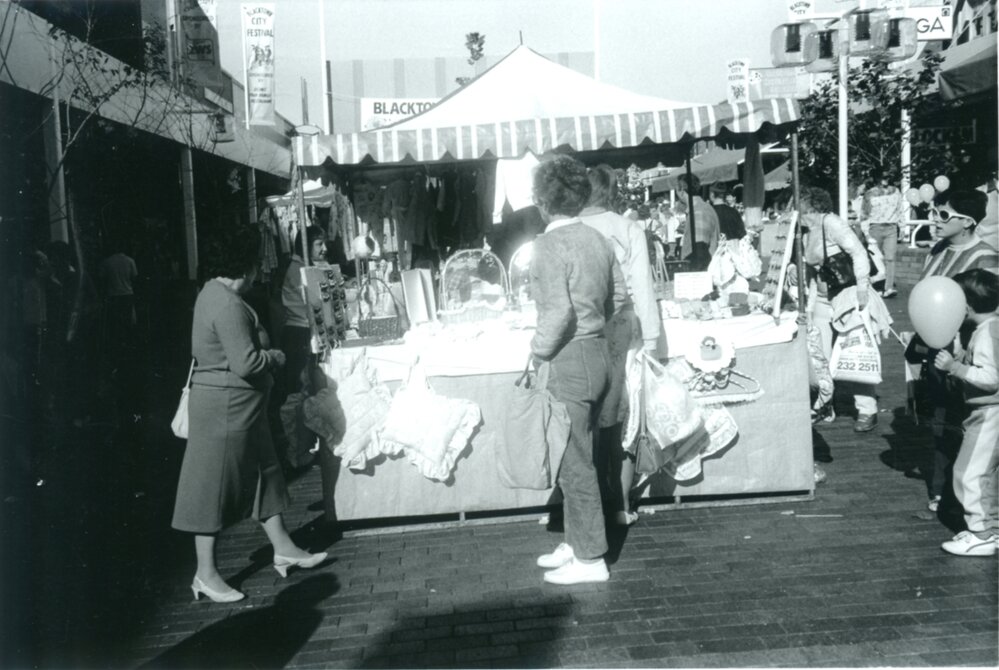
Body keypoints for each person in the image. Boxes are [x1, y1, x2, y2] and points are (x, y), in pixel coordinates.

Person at [172, 229, 326, 603]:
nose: (260, 272)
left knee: (266, 474)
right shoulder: (225, 303)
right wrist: (275, 357)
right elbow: (246, 363)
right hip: (226, 409)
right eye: (257, 264)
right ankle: (205, 574)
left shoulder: (214, 293)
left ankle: (283, 548)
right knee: (212, 487)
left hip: (240, 408)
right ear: (245, 266)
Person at [530, 155, 628, 585]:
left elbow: (557, 314)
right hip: (599, 353)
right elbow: (619, 297)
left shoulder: (547, 245)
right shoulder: (598, 239)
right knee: (583, 453)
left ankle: (590, 560)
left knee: (575, 462)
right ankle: (577, 541)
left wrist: (536, 352)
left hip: (569, 358)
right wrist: (594, 319)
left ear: (541, 202)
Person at [579, 164, 661, 527]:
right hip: (622, 329)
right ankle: (620, 504)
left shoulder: (570, 229)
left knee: (587, 415)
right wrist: (652, 338)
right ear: (612, 192)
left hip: (583, 330)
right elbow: (642, 286)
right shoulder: (628, 229)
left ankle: (585, 502)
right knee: (624, 419)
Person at [912, 190, 999, 513]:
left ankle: (970, 503)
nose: (934, 220)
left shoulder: (986, 258)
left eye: (943, 215)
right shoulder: (937, 250)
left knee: (967, 426)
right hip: (936, 351)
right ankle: (942, 491)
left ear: (967, 221)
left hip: (968, 356)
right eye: (934, 212)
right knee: (940, 421)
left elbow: (990, 311)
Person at [799, 185, 891, 433]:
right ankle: (825, 404)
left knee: (855, 351)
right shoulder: (806, 233)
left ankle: (867, 408)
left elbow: (858, 253)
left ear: (812, 208)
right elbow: (812, 272)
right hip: (822, 298)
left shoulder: (832, 223)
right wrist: (809, 305)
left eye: (801, 208)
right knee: (820, 355)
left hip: (847, 295)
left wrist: (862, 287)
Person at [932, 269, 998, 556]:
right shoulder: (991, 329)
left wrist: (955, 368)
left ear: (967, 305)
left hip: (989, 413)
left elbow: (991, 377)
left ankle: (980, 533)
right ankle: (991, 526)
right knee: (987, 474)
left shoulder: (986, 333)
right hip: (989, 412)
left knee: (968, 472)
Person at [279, 226, 328, 404]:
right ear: (306, 246)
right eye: (319, 244)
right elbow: (316, 303)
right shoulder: (300, 271)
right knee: (301, 388)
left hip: (302, 329)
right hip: (299, 332)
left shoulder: (305, 267)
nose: (324, 248)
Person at [861, 176, 903, 298]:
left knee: (890, 258)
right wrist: (866, 233)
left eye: (887, 176)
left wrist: (902, 227)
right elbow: (864, 214)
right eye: (882, 176)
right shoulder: (869, 194)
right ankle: (876, 287)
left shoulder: (895, 191)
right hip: (875, 228)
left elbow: (900, 210)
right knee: (875, 260)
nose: (885, 179)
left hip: (891, 228)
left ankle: (888, 288)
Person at [676, 173, 719, 271]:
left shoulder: (698, 212)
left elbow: (700, 250)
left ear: (681, 190)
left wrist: (693, 275)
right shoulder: (702, 208)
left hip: (701, 274)